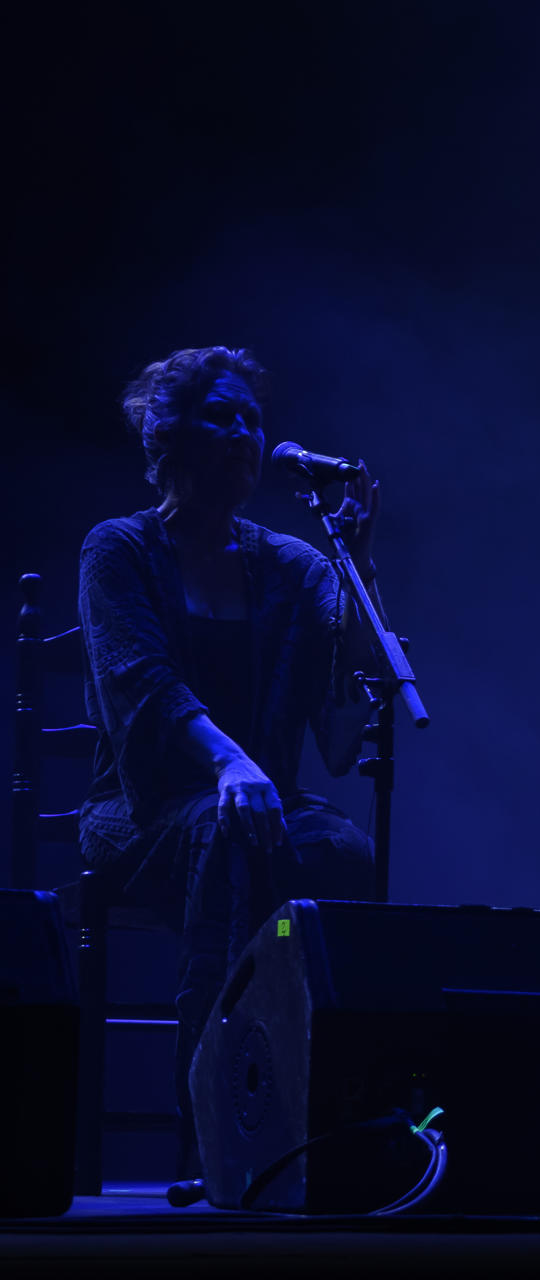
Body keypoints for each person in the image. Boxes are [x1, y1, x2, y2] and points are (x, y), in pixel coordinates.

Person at [78, 346, 381, 1172]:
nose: (245, 433)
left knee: (348, 851)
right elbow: (142, 683)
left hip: (263, 808)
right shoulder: (118, 551)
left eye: (253, 419)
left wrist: (360, 564)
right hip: (140, 811)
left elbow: (341, 733)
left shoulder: (297, 565)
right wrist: (228, 765)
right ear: (168, 434)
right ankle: (215, 1101)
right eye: (223, 416)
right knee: (228, 828)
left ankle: (324, 1097)